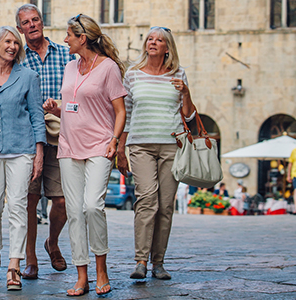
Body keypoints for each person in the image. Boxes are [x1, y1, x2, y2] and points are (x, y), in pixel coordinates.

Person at [43, 14, 126, 296]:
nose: (64, 39)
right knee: (75, 212)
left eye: (68, 35)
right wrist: (57, 108)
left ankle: (102, 269)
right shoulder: (69, 67)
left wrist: (115, 140)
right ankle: (82, 275)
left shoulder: (109, 68)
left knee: (93, 206)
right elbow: (73, 103)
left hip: (100, 145)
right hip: (68, 146)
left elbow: (120, 110)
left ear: (82, 38)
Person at [117, 26, 195, 281]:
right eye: (150, 39)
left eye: (159, 40)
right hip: (140, 146)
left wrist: (185, 92)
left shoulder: (178, 74)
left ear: (167, 48)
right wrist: (120, 147)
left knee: (166, 206)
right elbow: (125, 114)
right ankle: (141, 260)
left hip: (171, 145)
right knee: (147, 199)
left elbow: (190, 115)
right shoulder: (133, 74)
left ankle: (158, 262)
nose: (153, 42)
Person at [0, 26, 46, 291]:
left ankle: (14, 264)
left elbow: (37, 116)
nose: (13, 46)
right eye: (7, 41)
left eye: (16, 42)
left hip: (22, 150)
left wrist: (39, 152)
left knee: (17, 206)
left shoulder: (29, 77)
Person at [15, 3, 75, 279]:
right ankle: (30, 259)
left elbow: (78, 94)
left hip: (62, 136)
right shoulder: (17, 59)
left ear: (42, 22)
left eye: (35, 19)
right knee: (29, 199)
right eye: (26, 22)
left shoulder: (66, 54)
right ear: (20, 29)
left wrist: (59, 106)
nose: (32, 25)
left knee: (61, 201)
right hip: (29, 139)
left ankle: (52, 242)